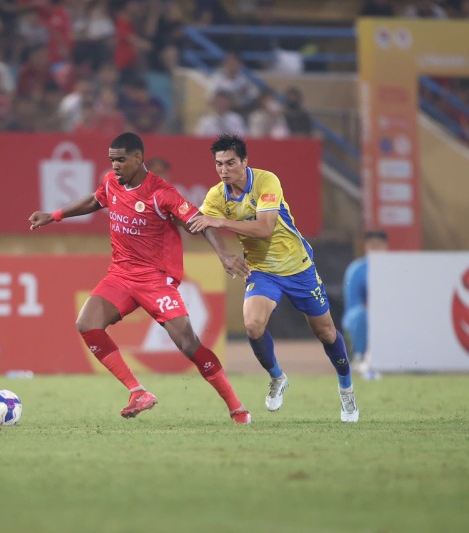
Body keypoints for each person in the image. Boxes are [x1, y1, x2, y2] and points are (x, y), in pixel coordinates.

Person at [29, 132, 252, 424]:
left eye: (121, 160)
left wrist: (223, 255)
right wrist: (54, 215)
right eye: (112, 160)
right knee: (87, 324)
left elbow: (200, 223)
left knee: (188, 344)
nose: (115, 166)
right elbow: (95, 201)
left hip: (156, 279)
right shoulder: (111, 182)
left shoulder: (162, 193)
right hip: (121, 274)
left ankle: (237, 407)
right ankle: (138, 392)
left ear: (138, 158)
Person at [189, 133, 359, 422]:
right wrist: (224, 255)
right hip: (262, 270)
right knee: (253, 326)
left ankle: (347, 390)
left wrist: (219, 220)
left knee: (326, 333)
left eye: (230, 163)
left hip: (298, 267)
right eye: (219, 164)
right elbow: (202, 225)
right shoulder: (217, 195)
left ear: (244, 161)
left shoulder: (267, 181)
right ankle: (278, 377)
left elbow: (265, 228)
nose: (223, 170)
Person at [342, 229, 388, 380]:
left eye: (379, 245)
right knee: (360, 316)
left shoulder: (393, 268)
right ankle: (360, 357)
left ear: (386, 246)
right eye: (372, 245)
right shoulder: (356, 270)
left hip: (388, 314)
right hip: (362, 315)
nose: (375, 249)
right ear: (366, 247)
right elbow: (353, 304)